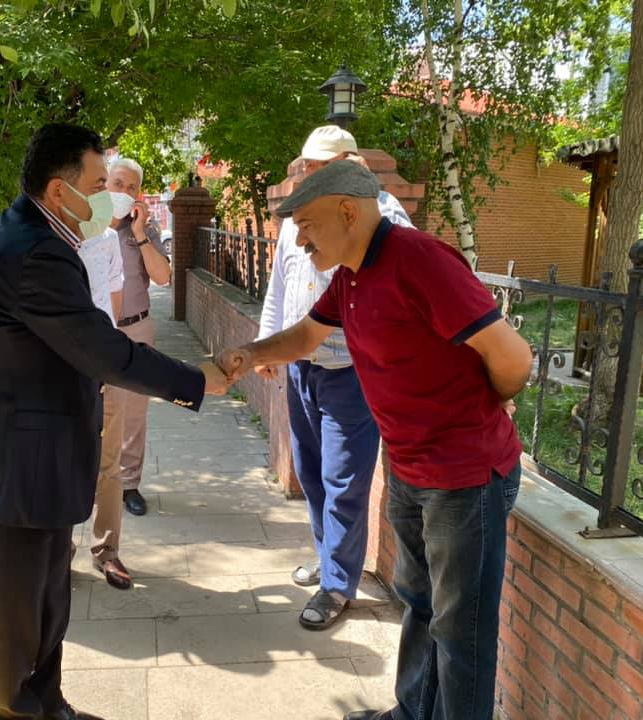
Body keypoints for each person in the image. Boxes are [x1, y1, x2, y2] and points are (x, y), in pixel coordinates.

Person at [219, 161, 532, 720]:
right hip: (409, 469)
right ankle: (411, 712)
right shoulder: (351, 276)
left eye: (307, 224)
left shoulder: (421, 260)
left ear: (348, 211)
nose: (300, 240)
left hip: (464, 477)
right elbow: (308, 335)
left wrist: (487, 406)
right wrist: (249, 354)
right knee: (419, 604)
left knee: (461, 632)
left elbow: (513, 357)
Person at [0, 123, 230, 720]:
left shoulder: (42, 234)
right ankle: (16, 710)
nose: (109, 197)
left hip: (34, 462)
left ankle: (48, 704)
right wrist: (197, 380)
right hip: (13, 469)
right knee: (16, 617)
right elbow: (102, 349)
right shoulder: (33, 251)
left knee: (48, 601)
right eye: (100, 184)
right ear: (59, 190)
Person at [257, 125, 413, 631]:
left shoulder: (383, 214)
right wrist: (266, 344)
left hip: (351, 370)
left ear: (350, 163)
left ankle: (338, 584)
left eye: (321, 165)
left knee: (343, 478)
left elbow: (398, 278)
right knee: (310, 470)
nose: (310, 173)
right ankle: (330, 560)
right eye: (307, 164)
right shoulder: (298, 218)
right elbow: (280, 284)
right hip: (302, 365)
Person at [107, 158, 171, 516]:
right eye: (118, 183)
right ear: (105, 184)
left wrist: (141, 233)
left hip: (137, 327)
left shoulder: (145, 228)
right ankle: (96, 479)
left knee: (134, 412)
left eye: (132, 187)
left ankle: (129, 484)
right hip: (98, 328)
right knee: (94, 408)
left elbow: (163, 276)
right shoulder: (87, 223)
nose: (124, 191)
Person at [77, 226, 134, 589]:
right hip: (60, 364)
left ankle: (107, 550)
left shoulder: (108, 238)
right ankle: (57, 549)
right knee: (60, 459)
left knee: (109, 462)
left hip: (104, 362)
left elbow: (114, 301)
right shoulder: (46, 234)